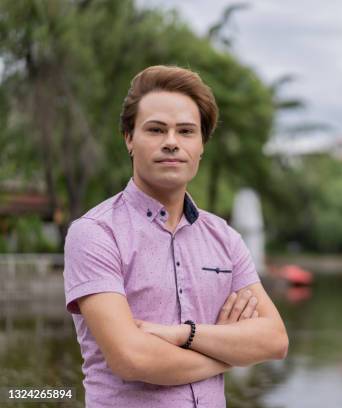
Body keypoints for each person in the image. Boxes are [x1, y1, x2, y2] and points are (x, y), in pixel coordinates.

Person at [63, 65, 288, 408]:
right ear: (129, 138)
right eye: (156, 130)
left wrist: (185, 334)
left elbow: (274, 339)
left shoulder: (224, 238)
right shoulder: (96, 233)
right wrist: (229, 355)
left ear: (201, 146)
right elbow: (131, 358)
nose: (171, 143)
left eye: (186, 131)